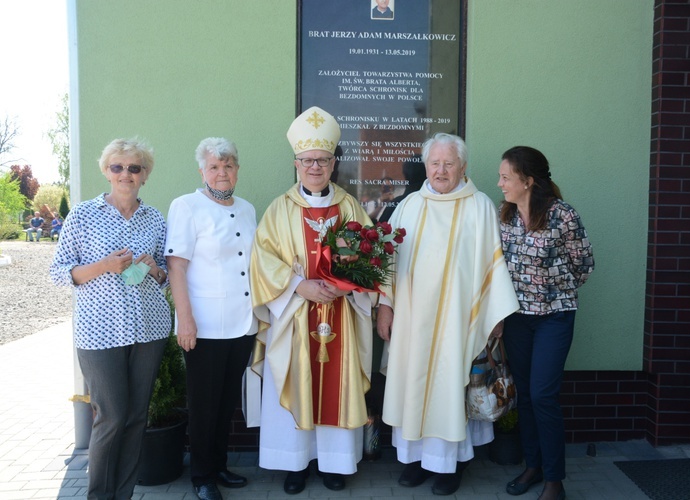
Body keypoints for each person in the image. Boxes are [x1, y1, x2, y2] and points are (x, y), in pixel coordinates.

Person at [376, 133, 519, 495]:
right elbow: (390, 263)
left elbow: (492, 265)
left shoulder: (480, 206)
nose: (441, 170)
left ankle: (448, 465)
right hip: (411, 321)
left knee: (449, 385)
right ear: (426, 166)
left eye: (449, 163)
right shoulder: (409, 205)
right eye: (435, 163)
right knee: (413, 384)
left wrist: (495, 316)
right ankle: (413, 461)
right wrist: (386, 307)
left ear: (463, 166)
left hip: (457, 322)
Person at [249, 106, 374, 494]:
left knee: (336, 382)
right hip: (293, 318)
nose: (315, 166)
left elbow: (371, 257)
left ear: (334, 163)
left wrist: (347, 284)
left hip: (341, 314)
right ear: (296, 163)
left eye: (322, 160)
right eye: (308, 160)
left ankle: (334, 463)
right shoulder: (278, 209)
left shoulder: (351, 207)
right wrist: (297, 286)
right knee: (296, 377)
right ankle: (295, 463)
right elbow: (262, 260)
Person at [49, 138, 171, 499]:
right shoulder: (83, 215)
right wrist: (103, 266)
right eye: (117, 167)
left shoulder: (155, 218)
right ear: (106, 171)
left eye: (134, 168)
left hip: (149, 328)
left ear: (144, 175)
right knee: (112, 416)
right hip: (99, 333)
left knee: (136, 418)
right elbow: (58, 273)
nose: (125, 174)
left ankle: (124, 493)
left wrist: (155, 270)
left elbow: (166, 272)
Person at [496, 146, 594, 500]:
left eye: (506, 177)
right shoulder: (504, 216)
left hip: (554, 317)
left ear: (528, 181)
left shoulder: (562, 215)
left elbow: (584, 264)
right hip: (518, 320)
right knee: (525, 395)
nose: (500, 183)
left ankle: (555, 480)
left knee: (543, 395)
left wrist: (553, 290)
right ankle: (533, 466)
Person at [165, 137, 258, 500]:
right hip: (203, 325)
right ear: (202, 171)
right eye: (215, 166)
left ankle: (218, 465)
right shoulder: (187, 206)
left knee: (225, 402)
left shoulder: (248, 208)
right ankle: (202, 477)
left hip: (242, 322)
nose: (222, 172)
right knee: (204, 404)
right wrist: (184, 319)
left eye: (229, 165)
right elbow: (176, 266)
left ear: (237, 170)